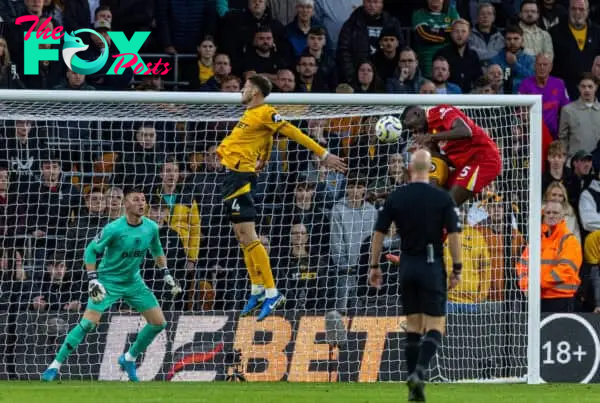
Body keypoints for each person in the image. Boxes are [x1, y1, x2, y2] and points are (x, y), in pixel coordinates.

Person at [216, 74, 346, 321]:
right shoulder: (251, 114)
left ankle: (272, 291)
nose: (241, 90)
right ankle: (256, 289)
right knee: (240, 235)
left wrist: (323, 153)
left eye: (245, 86)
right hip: (234, 176)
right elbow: (265, 136)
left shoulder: (266, 111)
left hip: (240, 178)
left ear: (254, 90)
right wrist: (264, 157)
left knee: (250, 235)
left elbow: (292, 131)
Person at [41, 188, 182, 382]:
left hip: (133, 281)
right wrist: (93, 279)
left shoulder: (151, 227)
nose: (141, 203)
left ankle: (128, 358)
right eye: (136, 199)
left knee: (159, 323)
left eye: (143, 199)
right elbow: (90, 251)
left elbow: (157, 250)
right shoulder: (113, 228)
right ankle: (54, 366)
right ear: (126, 204)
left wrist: (165, 272)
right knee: (88, 323)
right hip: (107, 281)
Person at [368, 150, 462, 402]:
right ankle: (419, 372)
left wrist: (374, 266)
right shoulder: (441, 197)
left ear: (409, 168)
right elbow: (453, 236)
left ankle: (412, 387)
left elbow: (379, 233)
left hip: (407, 264)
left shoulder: (397, 197)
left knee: (412, 325)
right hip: (431, 264)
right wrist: (458, 268)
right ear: (430, 167)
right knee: (435, 326)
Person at [402, 104, 502, 206]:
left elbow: (466, 131)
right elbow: (450, 162)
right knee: (433, 195)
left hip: (483, 158)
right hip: (465, 165)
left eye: (411, 126)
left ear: (417, 114)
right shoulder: (429, 133)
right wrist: (430, 153)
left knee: (448, 203)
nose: (413, 131)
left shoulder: (441, 111)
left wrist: (431, 137)